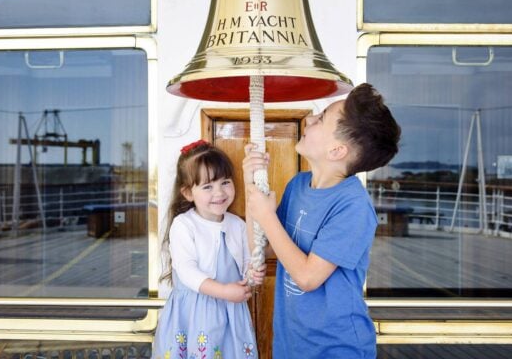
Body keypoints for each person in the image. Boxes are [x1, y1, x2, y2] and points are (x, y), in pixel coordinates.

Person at [243, 83, 401, 358]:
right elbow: (263, 248)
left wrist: (267, 216)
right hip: (292, 344)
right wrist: (250, 184)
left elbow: (307, 277)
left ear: (337, 151)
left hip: (336, 348)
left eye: (322, 118)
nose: (310, 119)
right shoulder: (298, 185)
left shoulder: (354, 207)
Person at [152, 140, 265, 359]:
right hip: (194, 314)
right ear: (187, 193)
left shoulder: (237, 224)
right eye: (207, 186)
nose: (219, 192)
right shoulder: (184, 225)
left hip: (231, 313)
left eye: (225, 182)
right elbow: (187, 271)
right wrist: (224, 292)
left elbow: (245, 264)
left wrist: (251, 275)